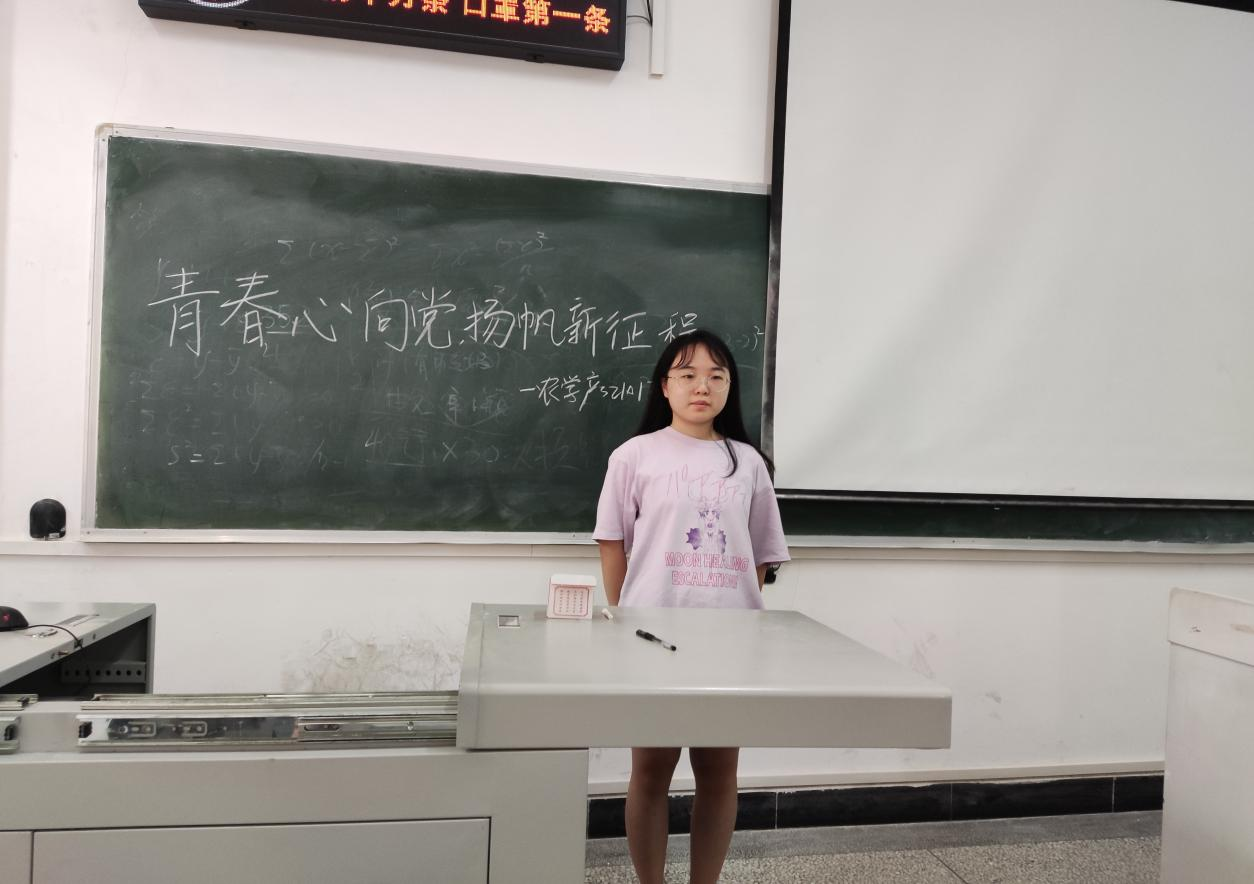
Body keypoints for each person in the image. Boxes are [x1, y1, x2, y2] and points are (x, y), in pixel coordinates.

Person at [592, 329, 790, 884]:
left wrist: (735, 612)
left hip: (731, 642)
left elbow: (759, 554)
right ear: (665, 386)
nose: (702, 386)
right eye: (687, 375)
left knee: (719, 771)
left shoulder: (747, 463)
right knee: (651, 770)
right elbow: (612, 542)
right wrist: (624, 615)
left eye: (716, 376)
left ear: (730, 387)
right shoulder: (635, 455)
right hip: (653, 638)